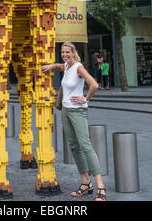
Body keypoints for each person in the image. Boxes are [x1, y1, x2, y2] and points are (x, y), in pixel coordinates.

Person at [42, 42, 107, 201]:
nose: (65, 55)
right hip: (65, 111)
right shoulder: (67, 66)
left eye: (67, 52)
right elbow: (61, 66)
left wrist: (85, 98)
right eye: (63, 52)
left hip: (77, 111)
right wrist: (52, 66)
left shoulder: (78, 67)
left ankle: (101, 187)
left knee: (85, 145)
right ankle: (86, 183)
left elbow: (94, 84)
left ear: (73, 53)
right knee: (74, 146)